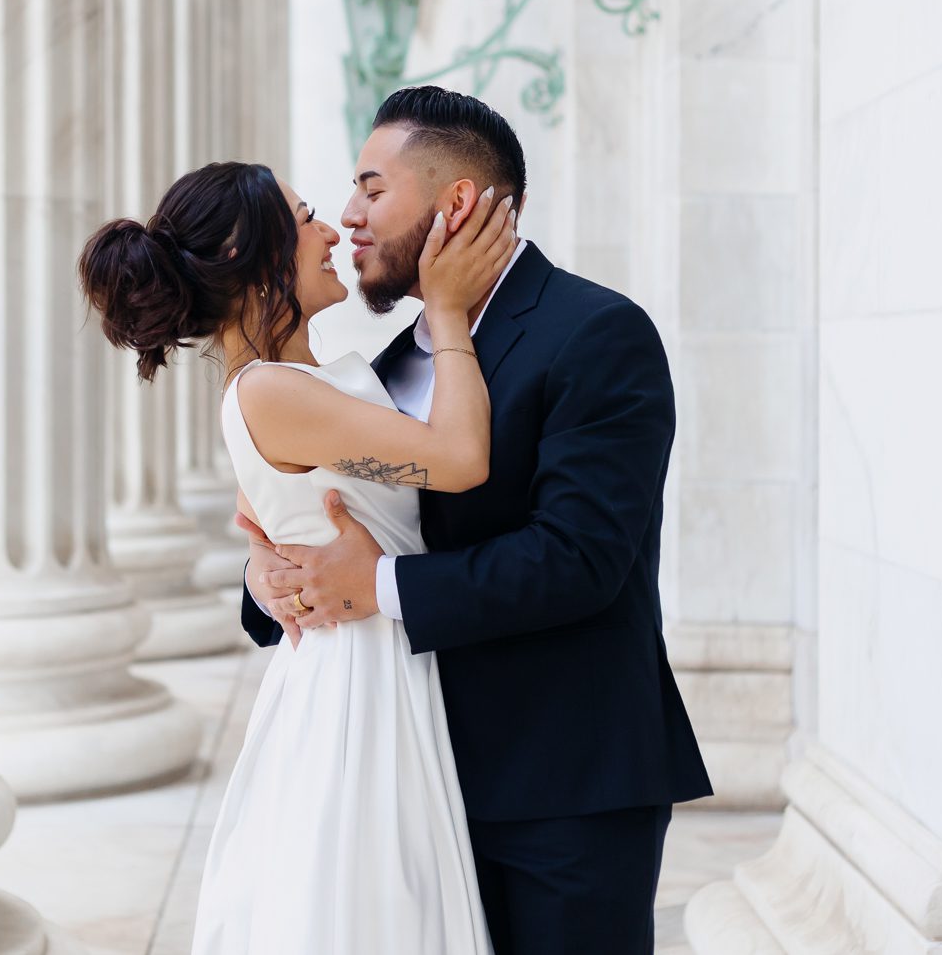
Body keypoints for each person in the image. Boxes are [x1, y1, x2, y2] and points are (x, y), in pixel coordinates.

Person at [242, 85, 713, 954]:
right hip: (405, 777)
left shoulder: (598, 332)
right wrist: (266, 577)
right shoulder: (382, 360)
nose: (348, 216)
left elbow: (579, 558)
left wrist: (376, 586)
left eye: (372, 188)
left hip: (560, 786)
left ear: (455, 203)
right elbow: (342, 528)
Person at [79, 158, 517, 955]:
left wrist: (261, 566)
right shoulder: (270, 391)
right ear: (255, 259)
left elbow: (266, 523)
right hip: (355, 684)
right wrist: (448, 311)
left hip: (374, 657)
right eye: (305, 217)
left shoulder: (294, 384)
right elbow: (458, 457)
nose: (328, 232)